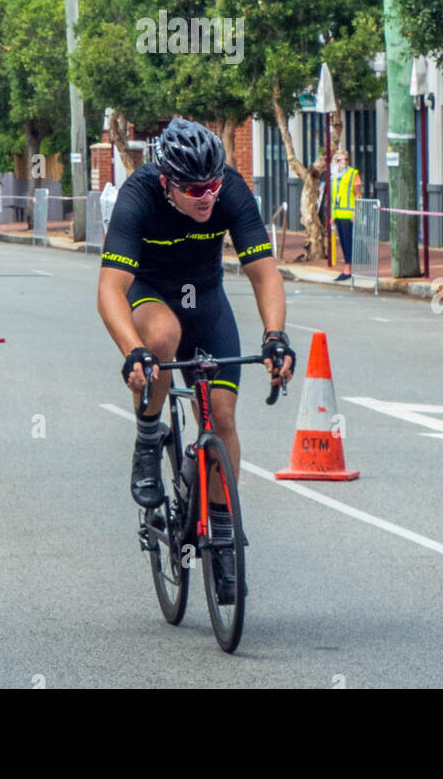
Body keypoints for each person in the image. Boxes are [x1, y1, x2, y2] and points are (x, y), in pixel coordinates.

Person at [96, 117, 295, 605]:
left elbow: (265, 273)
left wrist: (274, 336)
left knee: (221, 416)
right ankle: (148, 440)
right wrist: (132, 353)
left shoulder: (229, 190)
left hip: (206, 300)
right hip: (152, 293)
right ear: (167, 183)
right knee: (162, 336)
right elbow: (110, 290)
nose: (207, 196)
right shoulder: (139, 195)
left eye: (212, 185)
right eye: (193, 189)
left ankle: (223, 532)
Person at [330, 148, 362, 281]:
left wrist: (357, 212)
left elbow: (358, 194)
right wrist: (332, 215)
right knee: (342, 242)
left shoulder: (352, 174)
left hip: (349, 214)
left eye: (345, 159)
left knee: (349, 242)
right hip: (338, 214)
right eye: (340, 160)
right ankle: (347, 267)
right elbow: (334, 196)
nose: (343, 162)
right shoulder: (334, 176)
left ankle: (348, 268)